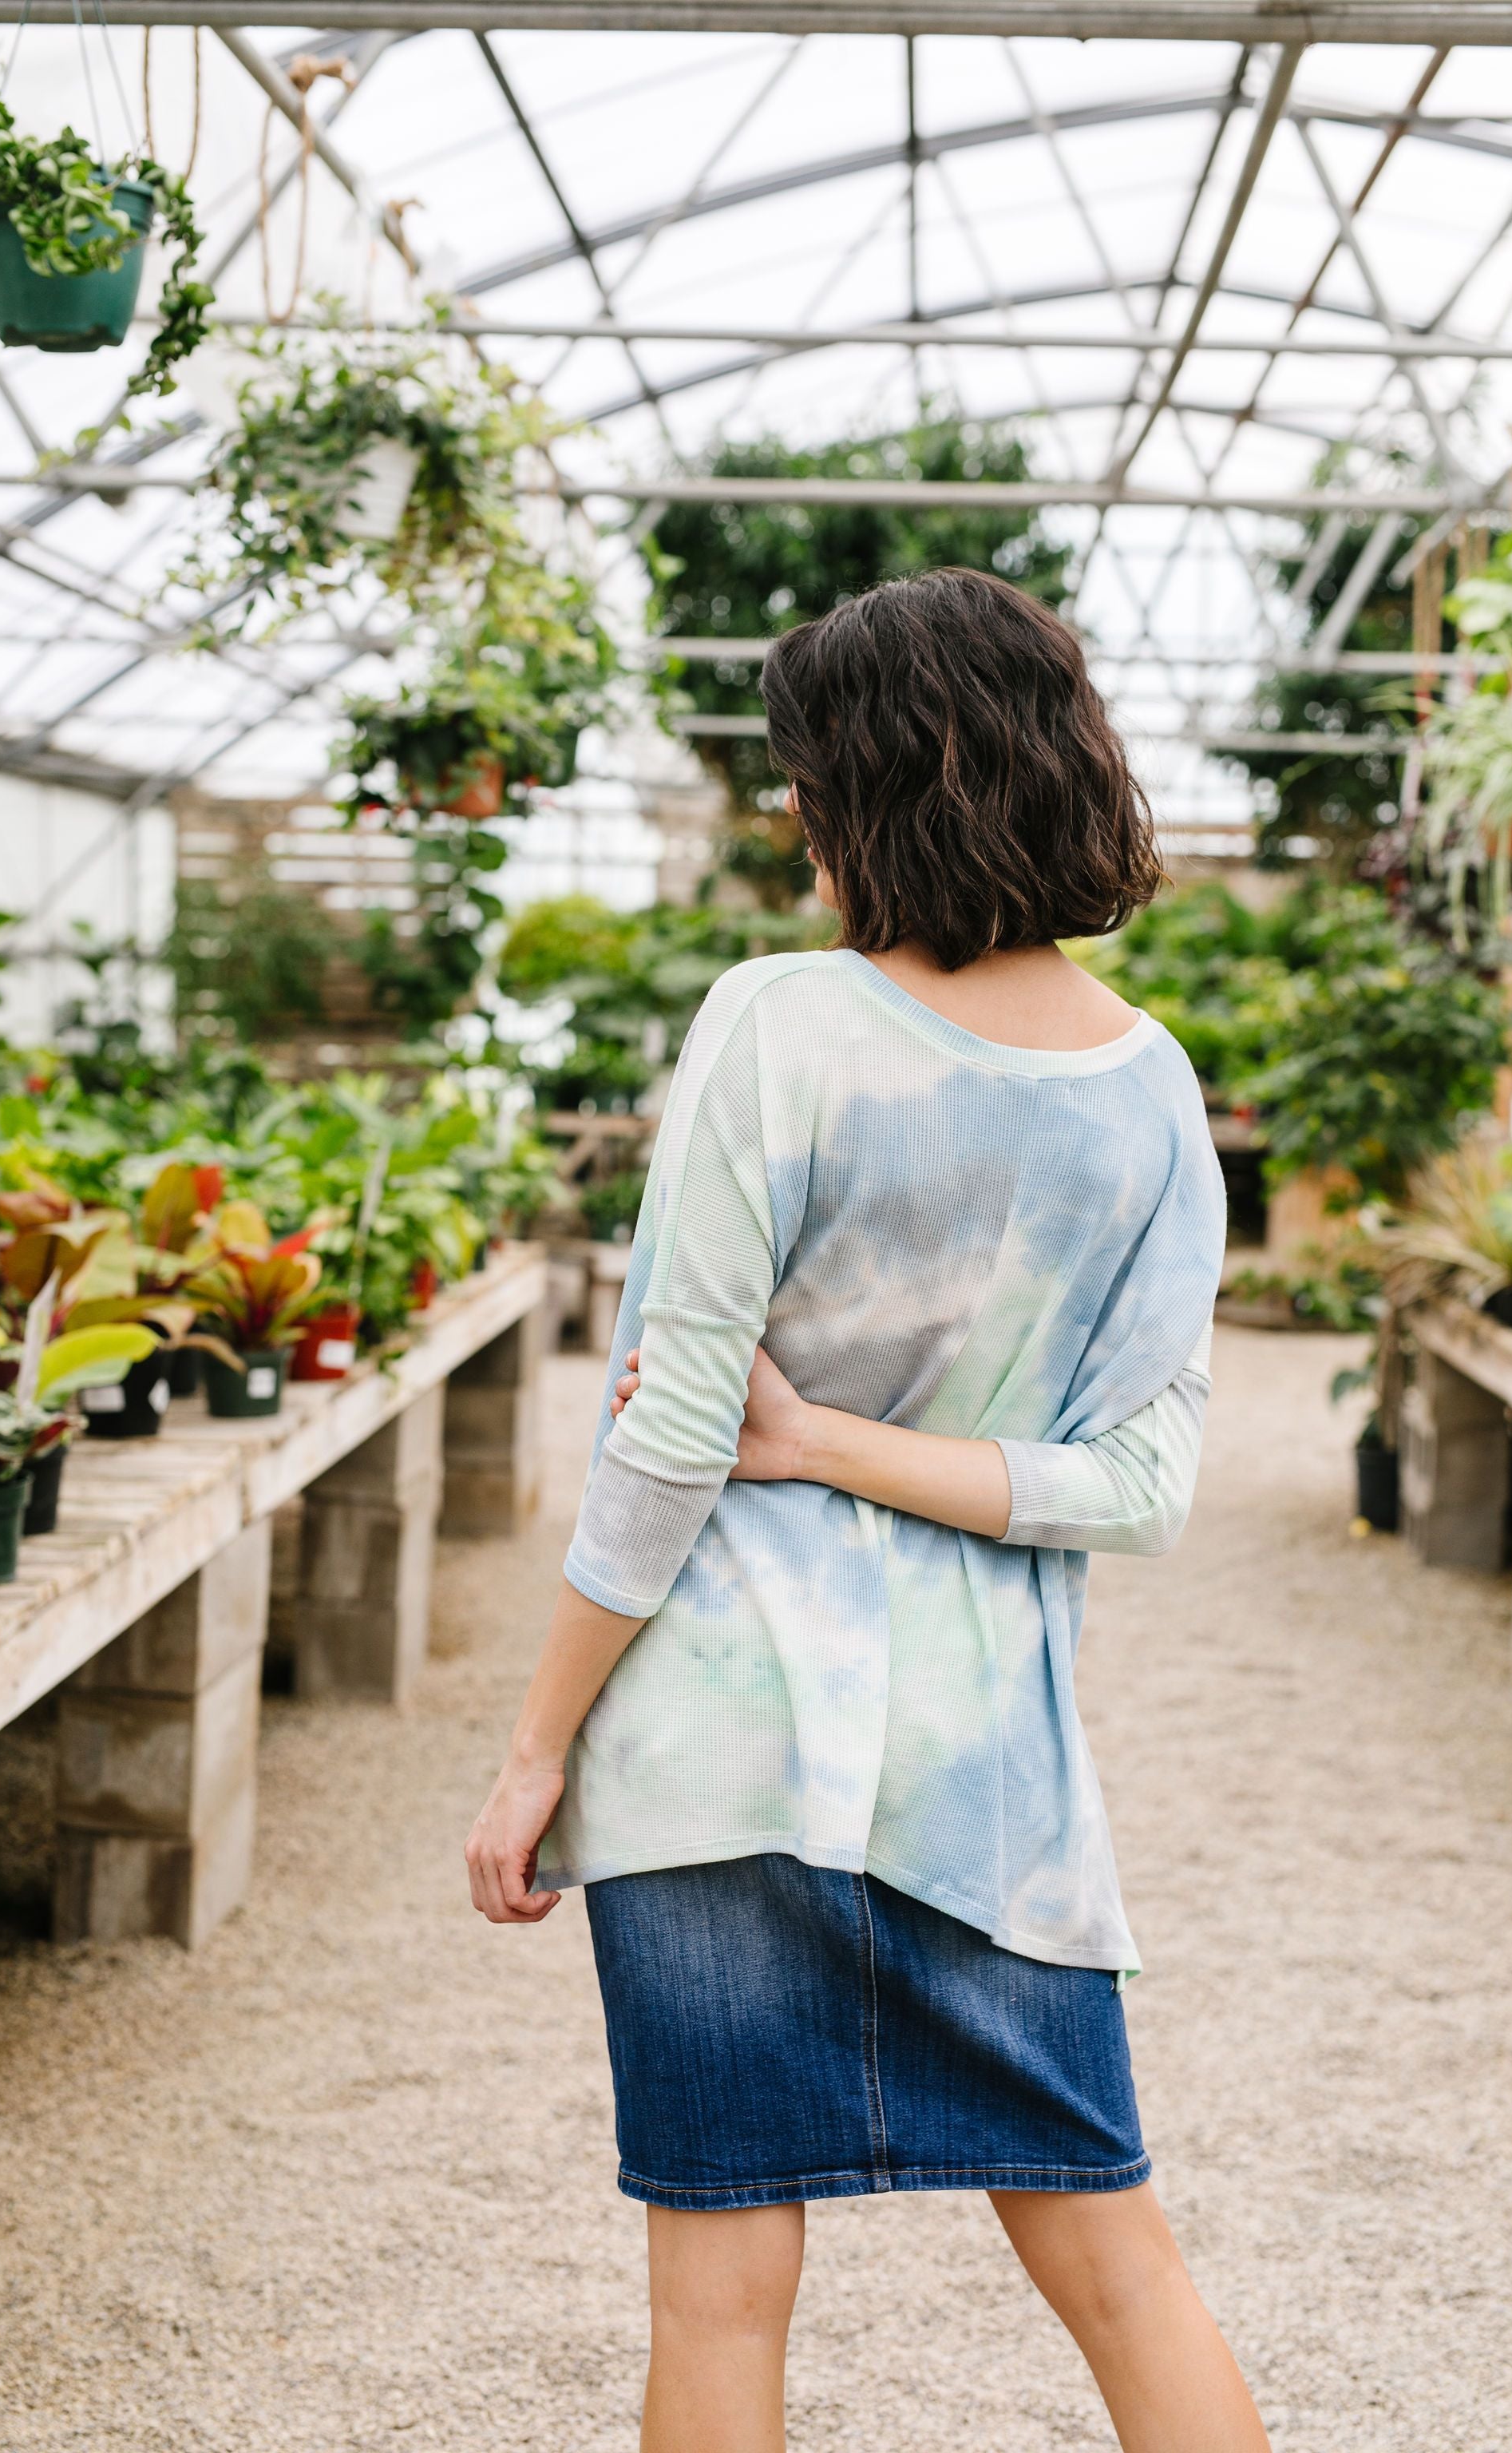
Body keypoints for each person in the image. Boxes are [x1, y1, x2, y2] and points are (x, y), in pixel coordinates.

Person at [466, 568, 1267, 2453]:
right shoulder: (1154, 1099)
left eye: (809, 778)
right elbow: (1135, 1492)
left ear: (878, 787)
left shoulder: (778, 1025)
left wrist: (533, 1750)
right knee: (1121, 2264)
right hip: (990, 1786)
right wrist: (850, 1448)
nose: (796, 821)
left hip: (717, 1750)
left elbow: (670, 1439)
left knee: (720, 2297)